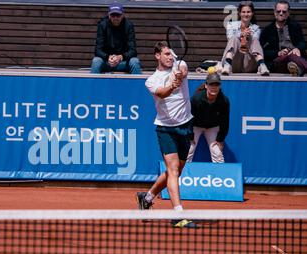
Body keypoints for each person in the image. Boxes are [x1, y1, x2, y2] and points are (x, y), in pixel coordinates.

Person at [136, 41, 195, 228]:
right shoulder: (151, 80)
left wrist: (179, 76)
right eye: (166, 54)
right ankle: (178, 213)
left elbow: (183, 71)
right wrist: (172, 85)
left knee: (175, 171)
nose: (170, 57)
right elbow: (161, 93)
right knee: (173, 170)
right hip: (165, 128)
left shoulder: (180, 65)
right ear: (157, 56)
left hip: (185, 125)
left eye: (171, 54)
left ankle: (147, 197)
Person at [186, 72, 230, 163]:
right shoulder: (196, 99)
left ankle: (221, 176)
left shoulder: (224, 101)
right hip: (196, 126)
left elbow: (225, 121)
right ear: (206, 85)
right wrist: (190, 136)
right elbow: (189, 118)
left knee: (217, 153)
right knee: (188, 150)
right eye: (211, 84)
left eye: (216, 84)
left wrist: (220, 139)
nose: (214, 87)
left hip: (212, 127)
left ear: (220, 86)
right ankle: (180, 176)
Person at [90, 3, 142, 74]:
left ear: (122, 15)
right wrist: (108, 57)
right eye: (113, 15)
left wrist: (120, 57)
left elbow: (133, 50)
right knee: (96, 61)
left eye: (118, 15)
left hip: (123, 62)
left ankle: (137, 85)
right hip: (107, 62)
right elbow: (98, 50)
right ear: (109, 15)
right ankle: (94, 85)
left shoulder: (129, 26)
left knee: (135, 61)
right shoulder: (102, 25)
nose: (115, 18)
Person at [259, 0, 307, 77]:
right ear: (274, 13)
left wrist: (297, 48)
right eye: (278, 11)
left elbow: (302, 43)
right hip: (278, 61)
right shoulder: (268, 30)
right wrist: (278, 53)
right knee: (291, 56)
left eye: (284, 12)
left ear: (288, 13)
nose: (281, 13)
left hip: (295, 58)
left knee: (293, 56)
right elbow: (261, 50)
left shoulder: (295, 26)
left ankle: (298, 69)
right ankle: (300, 67)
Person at [221, 1, 270, 76]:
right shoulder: (231, 25)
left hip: (249, 63)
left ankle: (262, 66)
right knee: (234, 38)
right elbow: (229, 39)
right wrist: (241, 34)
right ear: (240, 13)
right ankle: (227, 65)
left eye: (248, 12)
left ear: (252, 13)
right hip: (234, 62)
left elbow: (255, 44)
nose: (246, 14)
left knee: (254, 39)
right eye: (243, 12)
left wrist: (248, 36)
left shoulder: (256, 28)